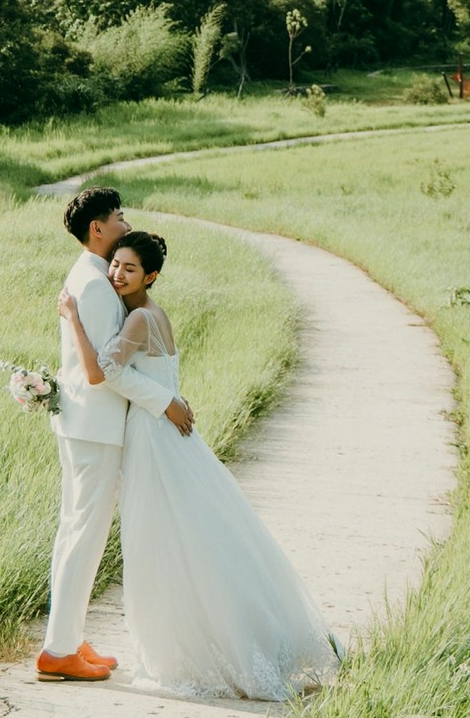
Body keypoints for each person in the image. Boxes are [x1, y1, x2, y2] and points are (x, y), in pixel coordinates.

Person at [57, 229, 338, 701]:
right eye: (116, 265)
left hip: (152, 436)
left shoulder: (139, 320)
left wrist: (73, 321)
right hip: (167, 435)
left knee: (163, 543)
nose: (117, 274)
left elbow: (100, 373)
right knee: (198, 535)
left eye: (129, 268)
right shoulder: (152, 314)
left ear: (152, 275)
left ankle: (197, 646)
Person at [36, 188, 197, 683]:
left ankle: (69, 636)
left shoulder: (87, 275)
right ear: (98, 229)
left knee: (76, 530)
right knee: (84, 533)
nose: (126, 224)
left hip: (84, 423)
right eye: (119, 218)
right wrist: (165, 401)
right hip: (96, 426)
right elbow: (106, 370)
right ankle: (59, 650)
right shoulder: (99, 286)